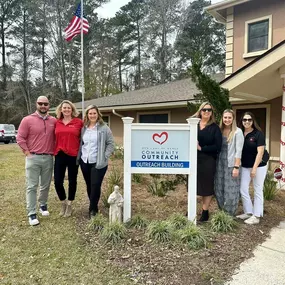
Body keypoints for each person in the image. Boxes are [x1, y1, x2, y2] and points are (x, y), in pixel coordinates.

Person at [17, 96, 56, 226]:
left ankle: (43, 205)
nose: (43, 106)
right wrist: (27, 153)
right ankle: (32, 213)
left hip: (49, 158)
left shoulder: (53, 121)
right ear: (36, 104)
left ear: (49, 105)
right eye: (40, 103)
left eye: (45, 104)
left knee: (45, 185)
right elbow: (20, 138)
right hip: (33, 157)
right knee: (32, 186)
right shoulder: (27, 120)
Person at [77, 105, 114, 218]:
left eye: (94, 113)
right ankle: (94, 204)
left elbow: (111, 144)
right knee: (89, 185)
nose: (92, 115)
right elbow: (81, 143)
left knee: (95, 185)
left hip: (98, 162)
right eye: (90, 113)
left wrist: (104, 156)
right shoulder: (84, 128)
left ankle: (92, 209)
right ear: (87, 115)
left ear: (98, 114)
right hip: (85, 161)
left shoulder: (104, 128)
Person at [192, 102, 222, 222]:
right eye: (204, 110)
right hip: (193, 159)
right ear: (200, 111)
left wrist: (201, 148)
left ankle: (205, 212)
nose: (206, 112)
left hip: (208, 160)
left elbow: (218, 146)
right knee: (193, 184)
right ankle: (191, 209)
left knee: (207, 187)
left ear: (212, 113)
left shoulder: (214, 128)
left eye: (209, 110)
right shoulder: (193, 124)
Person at [236, 112, 267, 225]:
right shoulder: (239, 133)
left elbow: (260, 152)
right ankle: (248, 212)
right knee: (243, 189)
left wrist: (254, 168)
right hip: (245, 166)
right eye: (245, 120)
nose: (247, 122)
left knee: (258, 190)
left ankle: (256, 215)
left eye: (249, 119)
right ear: (242, 121)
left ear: (253, 121)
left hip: (258, 166)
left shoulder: (258, 134)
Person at [54, 100, 83, 217]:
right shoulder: (56, 122)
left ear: (72, 110)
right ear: (61, 110)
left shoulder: (79, 122)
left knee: (72, 180)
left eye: (68, 108)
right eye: (64, 108)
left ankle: (70, 204)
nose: (66, 110)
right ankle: (63, 202)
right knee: (57, 181)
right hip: (59, 154)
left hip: (73, 155)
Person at [214, 109, 244, 216]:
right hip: (219, 163)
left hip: (231, 163)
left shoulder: (237, 132)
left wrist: (236, 167)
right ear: (222, 118)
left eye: (229, 117)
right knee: (219, 187)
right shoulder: (219, 130)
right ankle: (222, 212)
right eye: (225, 117)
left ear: (233, 119)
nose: (227, 120)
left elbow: (238, 151)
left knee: (231, 189)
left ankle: (230, 214)